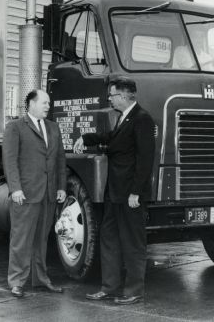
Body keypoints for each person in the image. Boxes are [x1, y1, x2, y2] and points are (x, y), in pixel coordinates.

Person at [73, 77, 155, 305]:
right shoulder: (123, 118)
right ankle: (109, 287)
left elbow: (145, 160)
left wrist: (136, 193)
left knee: (133, 242)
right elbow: (109, 138)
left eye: (112, 94)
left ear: (125, 96)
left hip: (130, 195)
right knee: (109, 239)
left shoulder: (142, 119)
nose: (109, 98)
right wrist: (85, 138)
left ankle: (134, 291)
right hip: (115, 193)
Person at [3, 89, 67, 298]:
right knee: (21, 239)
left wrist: (61, 187)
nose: (48, 106)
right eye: (44, 102)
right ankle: (17, 281)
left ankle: (40, 280)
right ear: (31, 104)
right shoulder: (15, 127)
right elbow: (10, 160)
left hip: (48, 194)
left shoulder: (53, 128)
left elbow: (59, 160)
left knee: (41, 240)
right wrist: (15, 189)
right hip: (26, 193)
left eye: (49, 103)